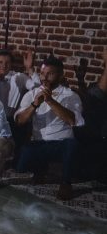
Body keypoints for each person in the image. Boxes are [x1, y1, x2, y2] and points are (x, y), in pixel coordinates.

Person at [15, 56, 84, 200]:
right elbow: (19, 121)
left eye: (50, 74)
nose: (44, 78)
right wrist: (34, 105)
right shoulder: (32, 94)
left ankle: (66, 183)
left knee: (72, 145)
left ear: (60, 76)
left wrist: (50, 101)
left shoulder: (70, 95)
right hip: (39, 142)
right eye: (42, 73)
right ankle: (40, 169)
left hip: (61, 143)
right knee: (21, 166)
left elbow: (73, 120)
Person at [0, 49, 39, 119]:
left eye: (7, 62)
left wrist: (30, 69)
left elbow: (37, 90)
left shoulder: (19, 77)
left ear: (11, 64)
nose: (4, 65)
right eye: (0, 62)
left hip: (12, 122)